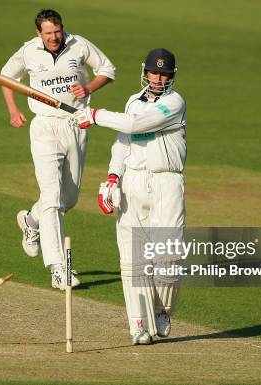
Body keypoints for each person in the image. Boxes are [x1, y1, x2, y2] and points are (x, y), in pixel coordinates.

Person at [74, 48, 186, 344]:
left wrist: (95, 115)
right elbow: (124, 142)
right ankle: (138, 326)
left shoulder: (175, 103)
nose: (158, 78)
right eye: (154, 72)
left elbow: (137, 125)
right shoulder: (133, 102)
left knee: (168, 258)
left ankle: (162, 311)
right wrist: (113, 176)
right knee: (132, 259)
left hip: (166, 182)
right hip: (133, 183)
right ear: (145, 72)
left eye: (164, 73)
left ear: (172, 76)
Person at [0, 9, 115, 289]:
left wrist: (89, 88)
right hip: (45, 127)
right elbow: (5, 78)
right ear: (39, 33)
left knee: (69, 198)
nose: (54, 37)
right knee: (52, 198)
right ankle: (58, 268)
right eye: (48, 33)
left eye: (57, 31)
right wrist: (13, 110)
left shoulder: (79, 44)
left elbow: (108, 70)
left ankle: (31, 220)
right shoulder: (28, 51)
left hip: (76, 124)